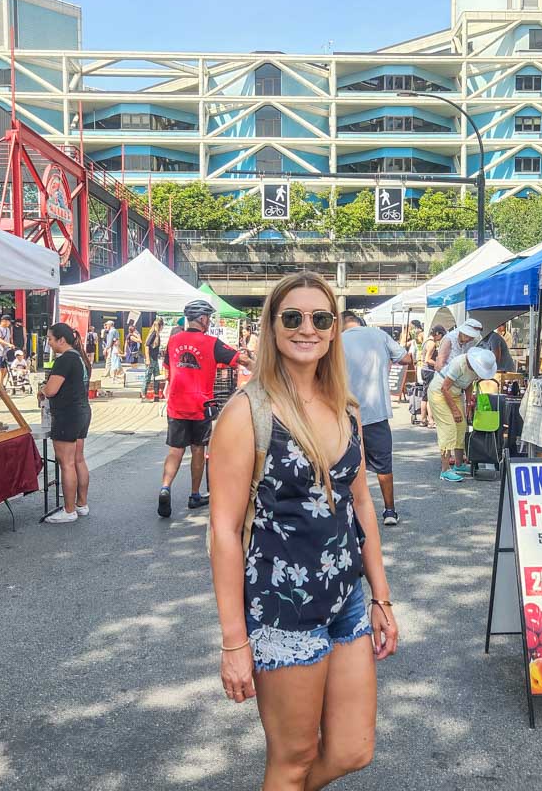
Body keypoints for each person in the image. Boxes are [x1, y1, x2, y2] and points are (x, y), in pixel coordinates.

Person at [209, 271, 398, 789]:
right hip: (281, 610)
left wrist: (381, 598)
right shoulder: (247, 413)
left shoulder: (347, 409)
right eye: (292, 317)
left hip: (347, 601)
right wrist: (234, 642)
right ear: (272, 327)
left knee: (353, 749)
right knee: (293, 760)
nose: (306, 328)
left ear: (335, 329)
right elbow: (223, 532)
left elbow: (361, 506)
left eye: (320, 318)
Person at [158, 299, 251, 518]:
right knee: (198, 449)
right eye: (208, 317)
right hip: (200, 406)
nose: (209, 321)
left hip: (176, 405)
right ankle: (194, 494)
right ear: (202, 318)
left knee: (175, 450)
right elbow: (240, 359)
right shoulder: (212, 343)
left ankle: (165, 487)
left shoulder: (173, 341)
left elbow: (168, 370)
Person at [341, 310, 413, 527]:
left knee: (347, 465)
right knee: (384, 466)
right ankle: (389, 511)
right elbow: (406, 358)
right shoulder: (379, 335)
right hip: (376, 413)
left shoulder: (335, 341)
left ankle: (348, 513)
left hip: (344, 413)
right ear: (360, 322)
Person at [39, 322, 92, 524]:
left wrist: (42, 389)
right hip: (82, 411)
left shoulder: (64, 360)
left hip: (67, 414)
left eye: (51, 339)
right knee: (78, 459)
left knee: (66, 463)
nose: (49, 343)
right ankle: (81, 504)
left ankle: (69, 510)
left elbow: (51, 390)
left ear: (61, 340)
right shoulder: (79, 357)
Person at [428, 346, 496, 483]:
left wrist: (468, 404)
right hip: (440, 392)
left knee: (461, 426)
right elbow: (444, 388)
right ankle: (445, 469)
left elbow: (469, 384)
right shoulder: (459, 364)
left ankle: (459, 464)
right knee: (449, 428)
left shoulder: (475, 368)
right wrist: (454, 410)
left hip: (455, 393)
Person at [418, 325, 445, 428]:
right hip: (429, 371)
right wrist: (439, 365)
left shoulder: (426, 341)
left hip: (424, 370)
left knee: (425, 396)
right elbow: (428, 359)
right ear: (437, 334)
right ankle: (430, 421)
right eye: (441, 335)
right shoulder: (432, 343)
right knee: (430, 396)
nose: (441, 338)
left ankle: (423, 419)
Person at [0, 314, 18, 384]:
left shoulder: (7, 329)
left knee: (7, 369)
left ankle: (0, 382)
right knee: (1, 369)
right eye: (9, 321)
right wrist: (8, 344)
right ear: (4, 321)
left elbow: (8, 339)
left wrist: (11, 345)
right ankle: (0, 385)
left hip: (7, 351)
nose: (9, 323)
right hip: (0, 351)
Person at [143, 318, 163, 400]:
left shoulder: (157, 335)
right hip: (151, 359)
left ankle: (156, 395)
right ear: (160, 326)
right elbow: (147, 346)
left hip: (154, 359)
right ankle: (143, 395)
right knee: (148, 377)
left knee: (157, 377)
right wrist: (147, 359)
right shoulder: (153, 334)